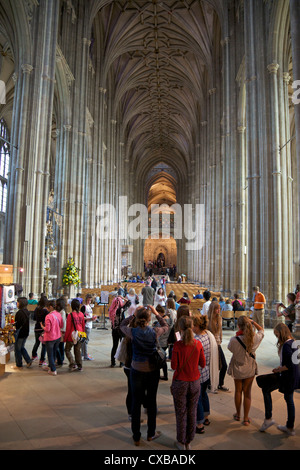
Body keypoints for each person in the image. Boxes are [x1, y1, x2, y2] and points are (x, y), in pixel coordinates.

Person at [120, 305, 169, 446]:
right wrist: (156, 313)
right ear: (149, 319)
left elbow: (122, 325)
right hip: (152, 370)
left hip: (136, 370)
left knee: (136, 402)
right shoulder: (154, 331)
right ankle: (151, 433)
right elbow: (166, 325)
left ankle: (136, 436)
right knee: (151, 402)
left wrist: (133, 315)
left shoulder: (133, 332)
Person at [171, 316, 206, 450]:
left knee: (181, 412)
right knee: (192, 411)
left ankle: (181, 441)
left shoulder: (178, 345)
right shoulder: (198, 344)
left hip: (181, 382)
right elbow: (202, 363)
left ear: (180, 328)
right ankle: (189, 441)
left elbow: (174, 366)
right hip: (195, 381)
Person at [258, 323, 300, 436]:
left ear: (281, 334)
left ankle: (268, 419)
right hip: (293, 375)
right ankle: (290, 427)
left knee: (266, 390)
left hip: (287, 377)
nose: (277, 338)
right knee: (289, 399)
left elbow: (289, 365)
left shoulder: (286, 345)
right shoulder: (293, 341)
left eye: (277, 335)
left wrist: (278, 369)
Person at [227, 316, 264, 425]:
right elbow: (261, 330)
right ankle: (246, 419)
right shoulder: (254, 338)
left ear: (238, 326)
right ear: (249, 325)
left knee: (238, 391)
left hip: (238, 367)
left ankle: (238, 415)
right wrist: (253, 322)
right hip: (249, 368)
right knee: (247, 392)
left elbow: (230, 349)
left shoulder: (234, 340)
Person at [192, 313, 219, 434]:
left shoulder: (197, 340)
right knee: (203, 395)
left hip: (199, 373)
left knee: (197, 398)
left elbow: (196, 360)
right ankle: (206, 418)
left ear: (197, 326)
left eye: (193, 325)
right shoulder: (208, 335)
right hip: (207, 372)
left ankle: (200, 424)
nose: (192, 327)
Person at [207, 301, 229, 392]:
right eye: (217, 309)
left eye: (219, 308)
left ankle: (220, 383)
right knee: (211, 365)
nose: (219, 310)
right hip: (211, 344)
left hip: (218, 343)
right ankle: (209, 383)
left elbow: (220, 331)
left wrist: (221, 338)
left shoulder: (220, 318)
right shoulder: (208, 320)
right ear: (213, 310)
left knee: (224, 365)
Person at [40, 300, 63, 376]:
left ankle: (53, 370)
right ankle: (50, 366)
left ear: (50, 307)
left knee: (50, 354)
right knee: (54, 352)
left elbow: (47, 329)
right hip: (58, 337)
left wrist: (42, 326)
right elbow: (61, 325)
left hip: (50, 337)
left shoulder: (48, 316)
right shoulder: (58, 314)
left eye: (47, 307)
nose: (46, 309)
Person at [64, 298, 85, 371]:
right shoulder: (81, 314)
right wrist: (83, 335)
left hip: (72, 335)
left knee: (67, 350)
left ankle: (72, 363)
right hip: (80, 334)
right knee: (77, 350)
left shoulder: (70, 315)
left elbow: (68, 328)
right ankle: (80, 366)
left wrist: (65, 338)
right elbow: (83, 325)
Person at [109, 295, 130, 367]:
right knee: (122, 346)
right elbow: (129, 302)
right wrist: (123, 298)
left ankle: (112, 362)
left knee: (114, 345)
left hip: (114, 330)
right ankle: (121, 362)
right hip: (121, 330)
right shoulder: (121, 309)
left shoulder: (111, 310)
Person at [153, 305, 173, 381]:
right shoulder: (168, 319)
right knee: (163, 359)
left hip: (161, 341)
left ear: (160, 313)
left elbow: (160, 331)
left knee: (159, 360)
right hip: (166, 341)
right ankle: (165, 375)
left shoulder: (164, 321)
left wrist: (155, 327)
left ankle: (159, 375)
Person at [12, 297, 32, 370]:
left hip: (20, 333)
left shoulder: (19, 313)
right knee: (21, 347)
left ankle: (19, 365)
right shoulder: (27, 311)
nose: (16, 304)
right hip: (26, 332)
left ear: (21, 303)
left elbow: (17, 325)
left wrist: (13, 325)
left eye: (17, 302)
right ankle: (28, 360)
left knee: (17, 349)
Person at [31, 295, 48, 366]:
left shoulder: (36, 309)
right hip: (43, 329)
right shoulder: (46, 311)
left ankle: (34, 355)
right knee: (44, 345)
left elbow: (33, 318)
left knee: (37, 342)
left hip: (36, 327)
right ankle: (42, 360)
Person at [81, 294, 96, 361]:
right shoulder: (84, 307)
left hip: (89, 324)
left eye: (90, 300)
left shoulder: (89, 306)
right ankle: (85, 355)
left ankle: (83, 354)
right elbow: (81, 317)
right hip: (86, 325)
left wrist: (93, 318)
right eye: (88, 300)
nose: (89, 301)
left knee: (85, 340)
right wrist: (90, 319)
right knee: (85, 341)